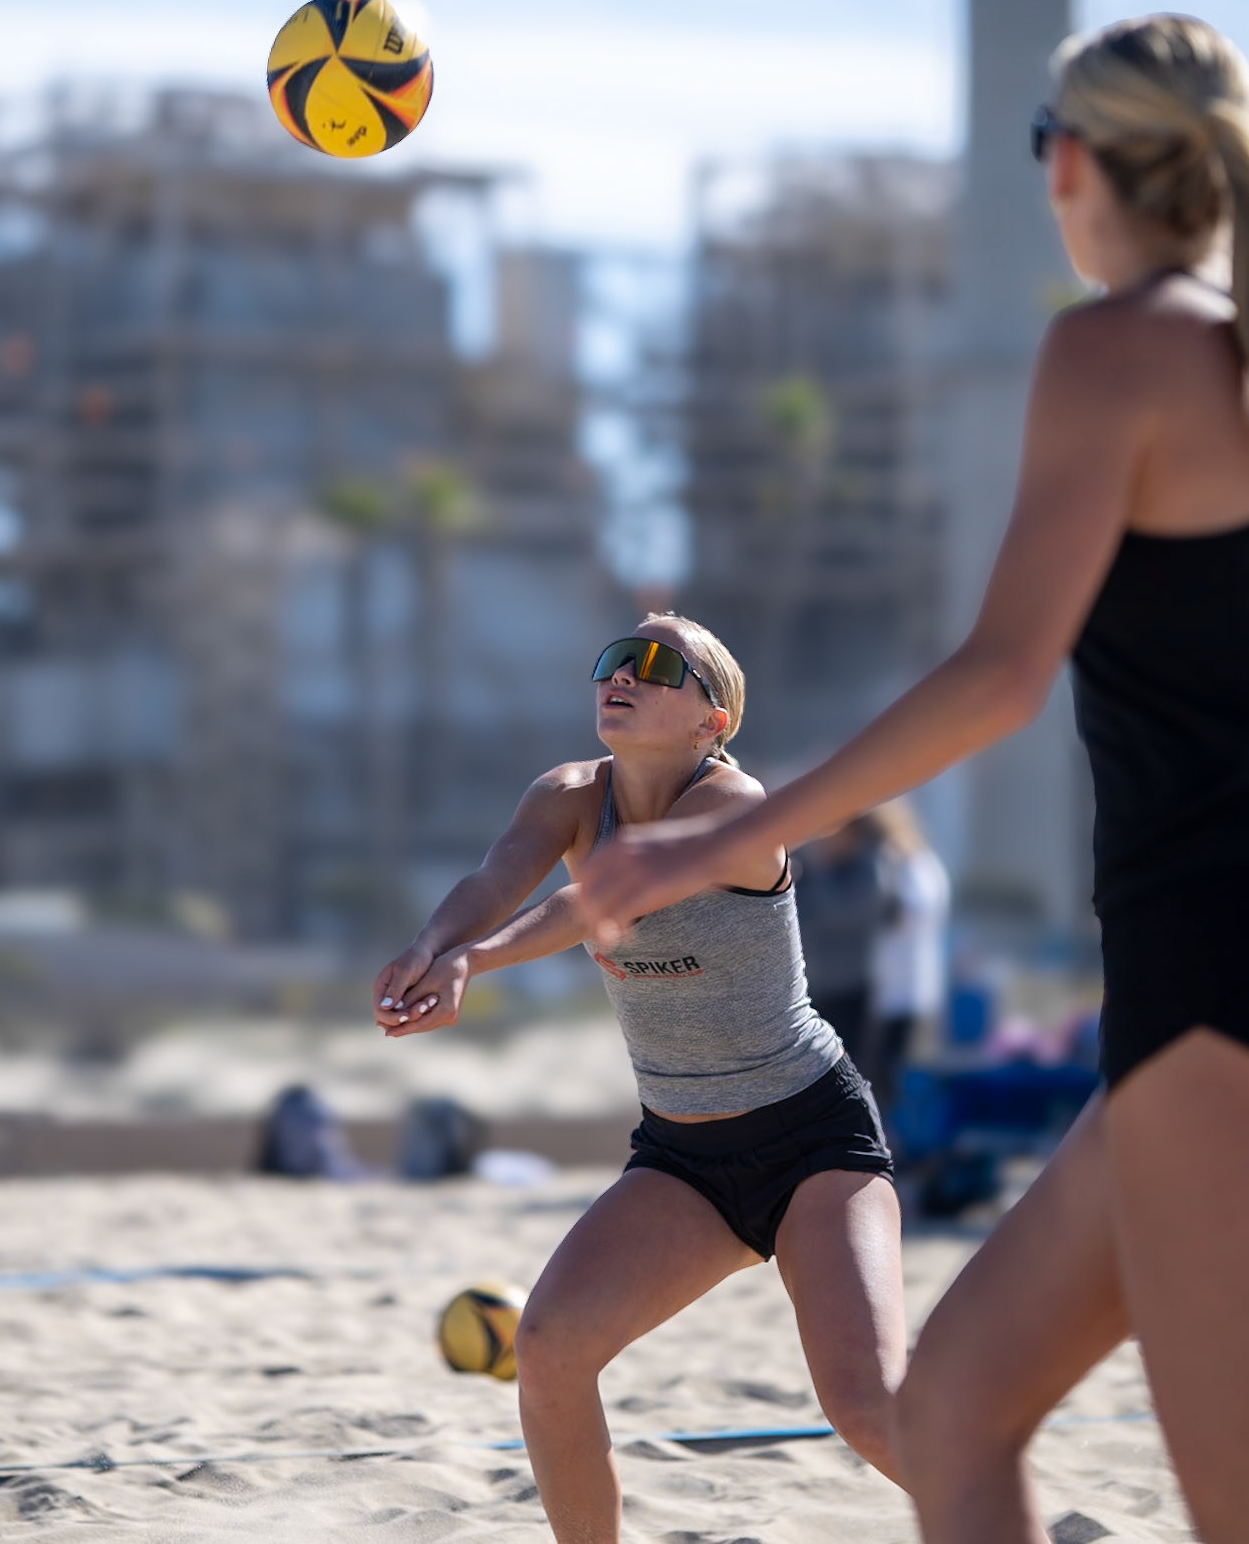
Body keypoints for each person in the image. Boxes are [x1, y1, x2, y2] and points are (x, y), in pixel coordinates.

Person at [577, 15, 1249, 1543]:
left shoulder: (1120, 343)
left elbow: (1000, 673)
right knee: (952, 1408)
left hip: (1210, 989)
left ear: (1069, 165)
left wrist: (704, 839)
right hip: (1181, 1007)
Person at [372, 614, 904, 1544]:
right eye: (615, 659)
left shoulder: (731, 804)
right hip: (683, 1157)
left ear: (712, 719)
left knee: (865, 1403)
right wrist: (429, 950)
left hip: (814, 1139)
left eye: (657, 665)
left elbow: (599, 896)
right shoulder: (569, 794)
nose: (622, 674)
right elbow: (494, 881)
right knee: (548, 1349)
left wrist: (473, 963)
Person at [863, 799, 950, 1112]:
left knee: (883, 1077)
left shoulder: (906, 863)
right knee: (883, 1075)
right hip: (899, 986)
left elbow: (909, 912)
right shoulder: (920, 862)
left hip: (896, 988)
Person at [792, 816, 887, 1068]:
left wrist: (818, 869)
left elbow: (838, 915)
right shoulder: (810, 867)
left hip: (848, 988)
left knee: (850, 1066)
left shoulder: (866, 868)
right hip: (813, 987)